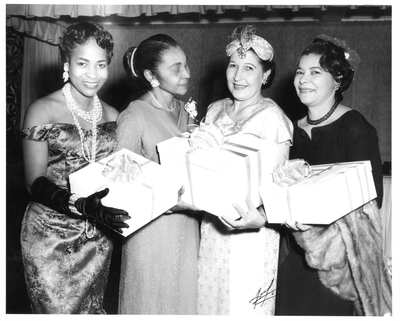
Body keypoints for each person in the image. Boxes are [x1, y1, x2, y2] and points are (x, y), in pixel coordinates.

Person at [275, 35, 391, 316]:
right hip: (294, 250)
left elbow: (372, 199)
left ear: (337, 80)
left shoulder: (355, 127)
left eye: (316, 72)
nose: (304, 79)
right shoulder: (287, 128)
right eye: (300, 72)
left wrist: (320, 231)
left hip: (339, 262)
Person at [20, 21, 130, 314]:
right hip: (50, 236)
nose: (93, 75)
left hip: (97, 236)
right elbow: (33, 181)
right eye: (83, 63)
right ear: (66, 62)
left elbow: (119, 174)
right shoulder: (42, 110)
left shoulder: (114, 115)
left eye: (101, 64)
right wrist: (79, 204)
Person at [194, 25, 293, 315]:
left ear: (265, 75)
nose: (238, 76)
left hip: (252, 232)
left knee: (245, 308)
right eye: (233, 65)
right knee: (210, 306)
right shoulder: (213, 110)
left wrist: (259, 219)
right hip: (213, 227)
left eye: (249, 68)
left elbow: (280, 187)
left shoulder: (272, 117)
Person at [116, 34, 200, 314]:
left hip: (187, 229)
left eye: (186, 64)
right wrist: (167, 200)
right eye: (176, 68)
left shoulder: (185, 111)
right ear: (152, 75)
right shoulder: (134, 115)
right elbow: (121, 186)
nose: (186, 73)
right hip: (151, 234)